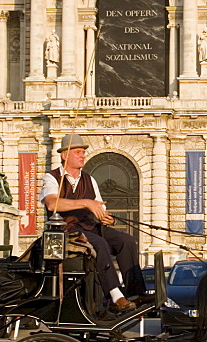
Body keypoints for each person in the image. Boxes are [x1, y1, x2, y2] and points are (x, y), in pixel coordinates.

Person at [40, 133, 148, 313]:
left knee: (126, 241)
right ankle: (115, 295)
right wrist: (86, 203)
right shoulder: (51, 178)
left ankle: (135, 292)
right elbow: (52, 203)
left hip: (91, 226)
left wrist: (107, 218)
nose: (82, 155)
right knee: (99, 243)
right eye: (77, 152)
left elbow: (99, 209)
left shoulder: (89, 179)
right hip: (67, 231)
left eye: (83, 152)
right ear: (64, 155)